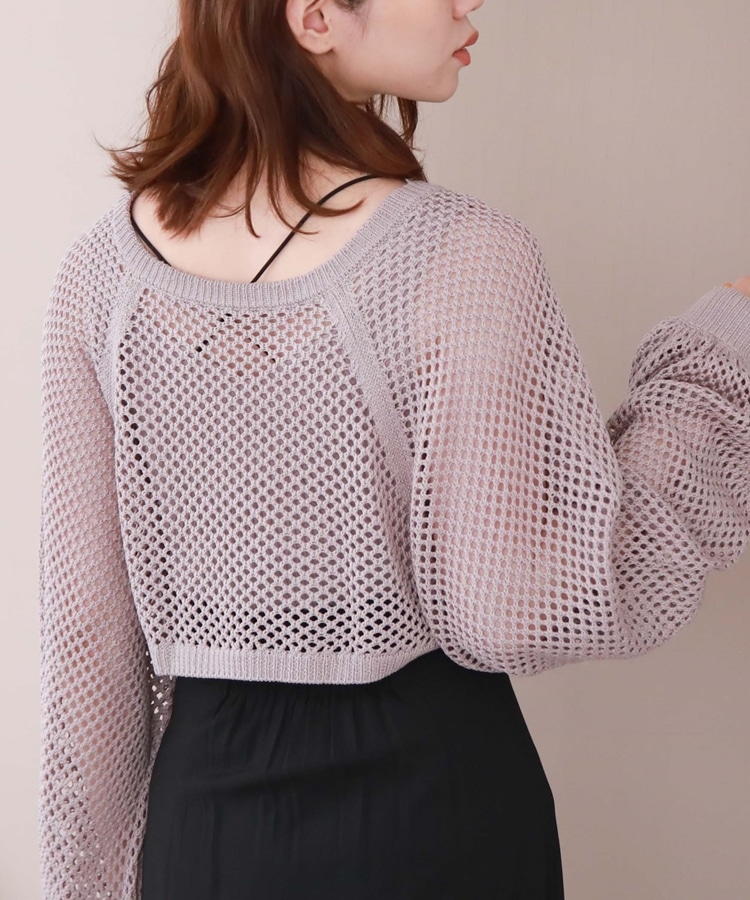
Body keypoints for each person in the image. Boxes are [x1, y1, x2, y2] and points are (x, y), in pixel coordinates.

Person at [37, 1, 750, 899]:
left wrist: (88, 882)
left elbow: (88, 644)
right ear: (316, 17)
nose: (469, 2)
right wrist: (722, 360)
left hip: (210, 820)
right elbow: (520, 609)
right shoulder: (460, 252)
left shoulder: (101, 277)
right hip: (434, 807)